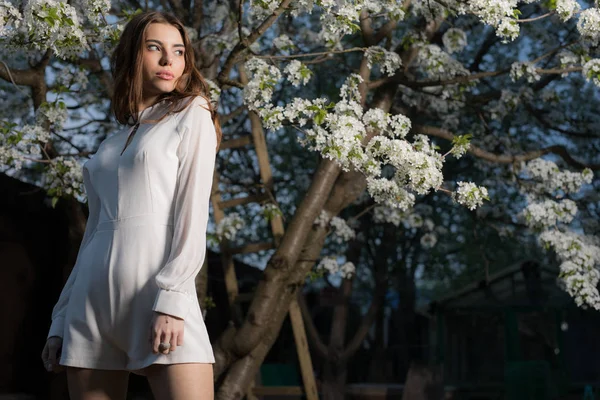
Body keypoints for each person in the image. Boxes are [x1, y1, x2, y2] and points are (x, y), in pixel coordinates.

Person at [40, 10, 221, 400]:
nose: (168, 60)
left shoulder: (193, 113)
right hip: (90, 303)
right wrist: (60, 318)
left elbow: (192, 216)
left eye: (177, 51)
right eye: (154, 47)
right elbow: (92, 234)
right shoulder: (109, 144)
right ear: (132, 56)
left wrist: (172, 297)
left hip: (157, 293)